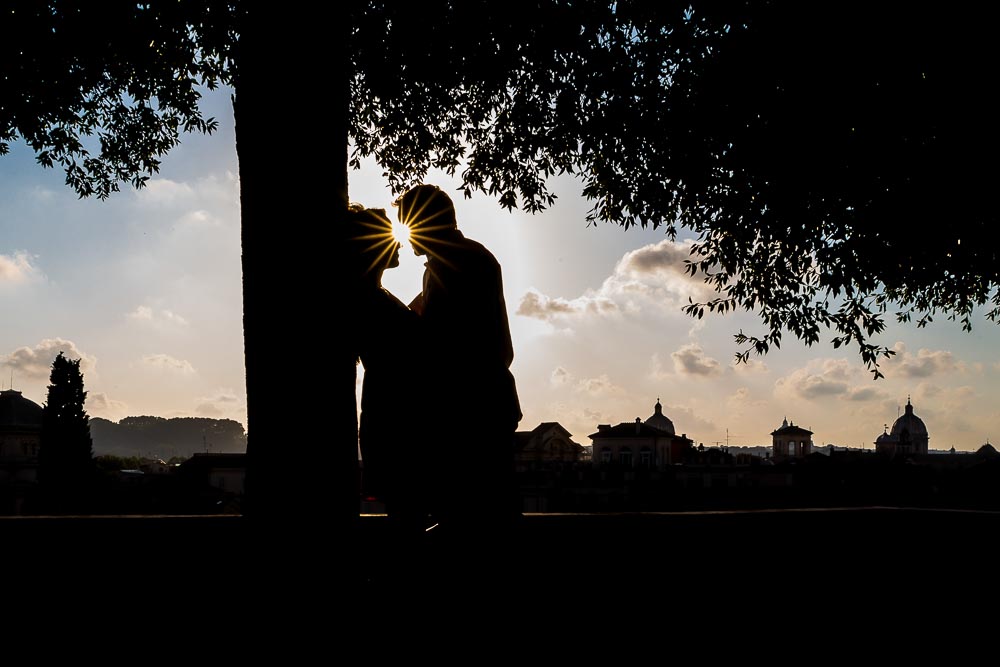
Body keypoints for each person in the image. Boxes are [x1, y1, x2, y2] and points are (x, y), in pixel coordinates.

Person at [393, 184, 522, 540]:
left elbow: (441, 336)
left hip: (470, 406)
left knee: (476, 514)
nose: (405, 239)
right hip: (478, 403)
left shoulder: (458, 264)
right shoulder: (459, 261)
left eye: (407, 226)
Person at [345, 204, 428, 538]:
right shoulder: (372, 301)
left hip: (388, 419)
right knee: (409, 519)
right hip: (397, 423)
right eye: (389, 236)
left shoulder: (370, 297)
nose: (398, 243)